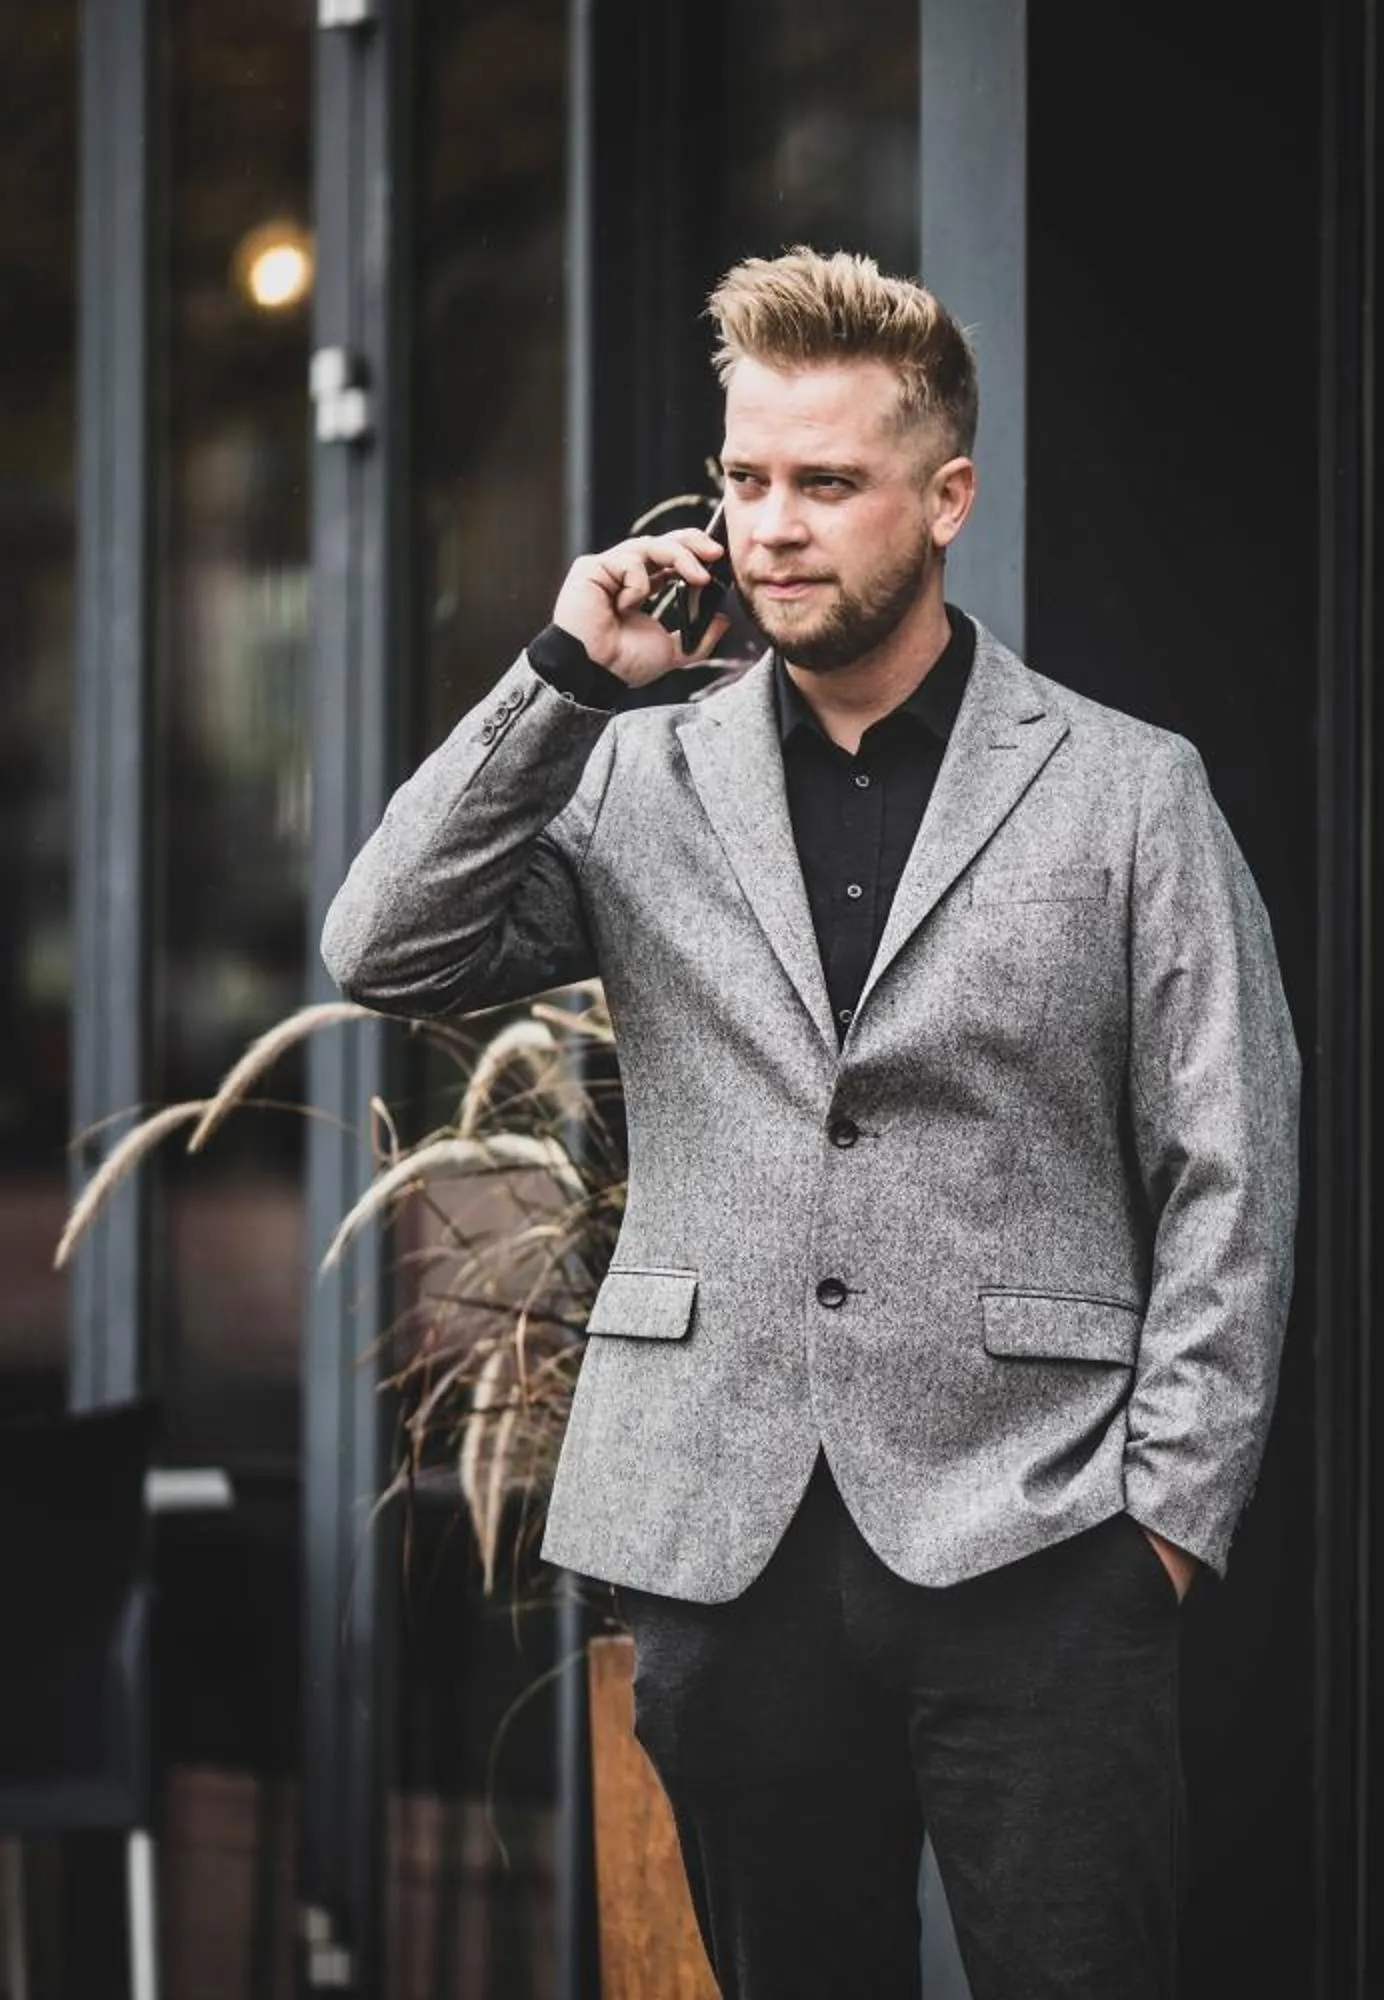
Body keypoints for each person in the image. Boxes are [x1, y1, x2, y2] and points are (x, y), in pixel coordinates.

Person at [320, 246, 1303, 1998]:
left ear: (945, 499)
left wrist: (1164, 1520)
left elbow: (1232, 1162)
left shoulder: (1126, 791)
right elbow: (387, 943)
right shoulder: (634, 770)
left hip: (1042, 1538)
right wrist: (565, 669)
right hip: (724, 1540)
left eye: (825, 483)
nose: (773, 526)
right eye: (746, 480)